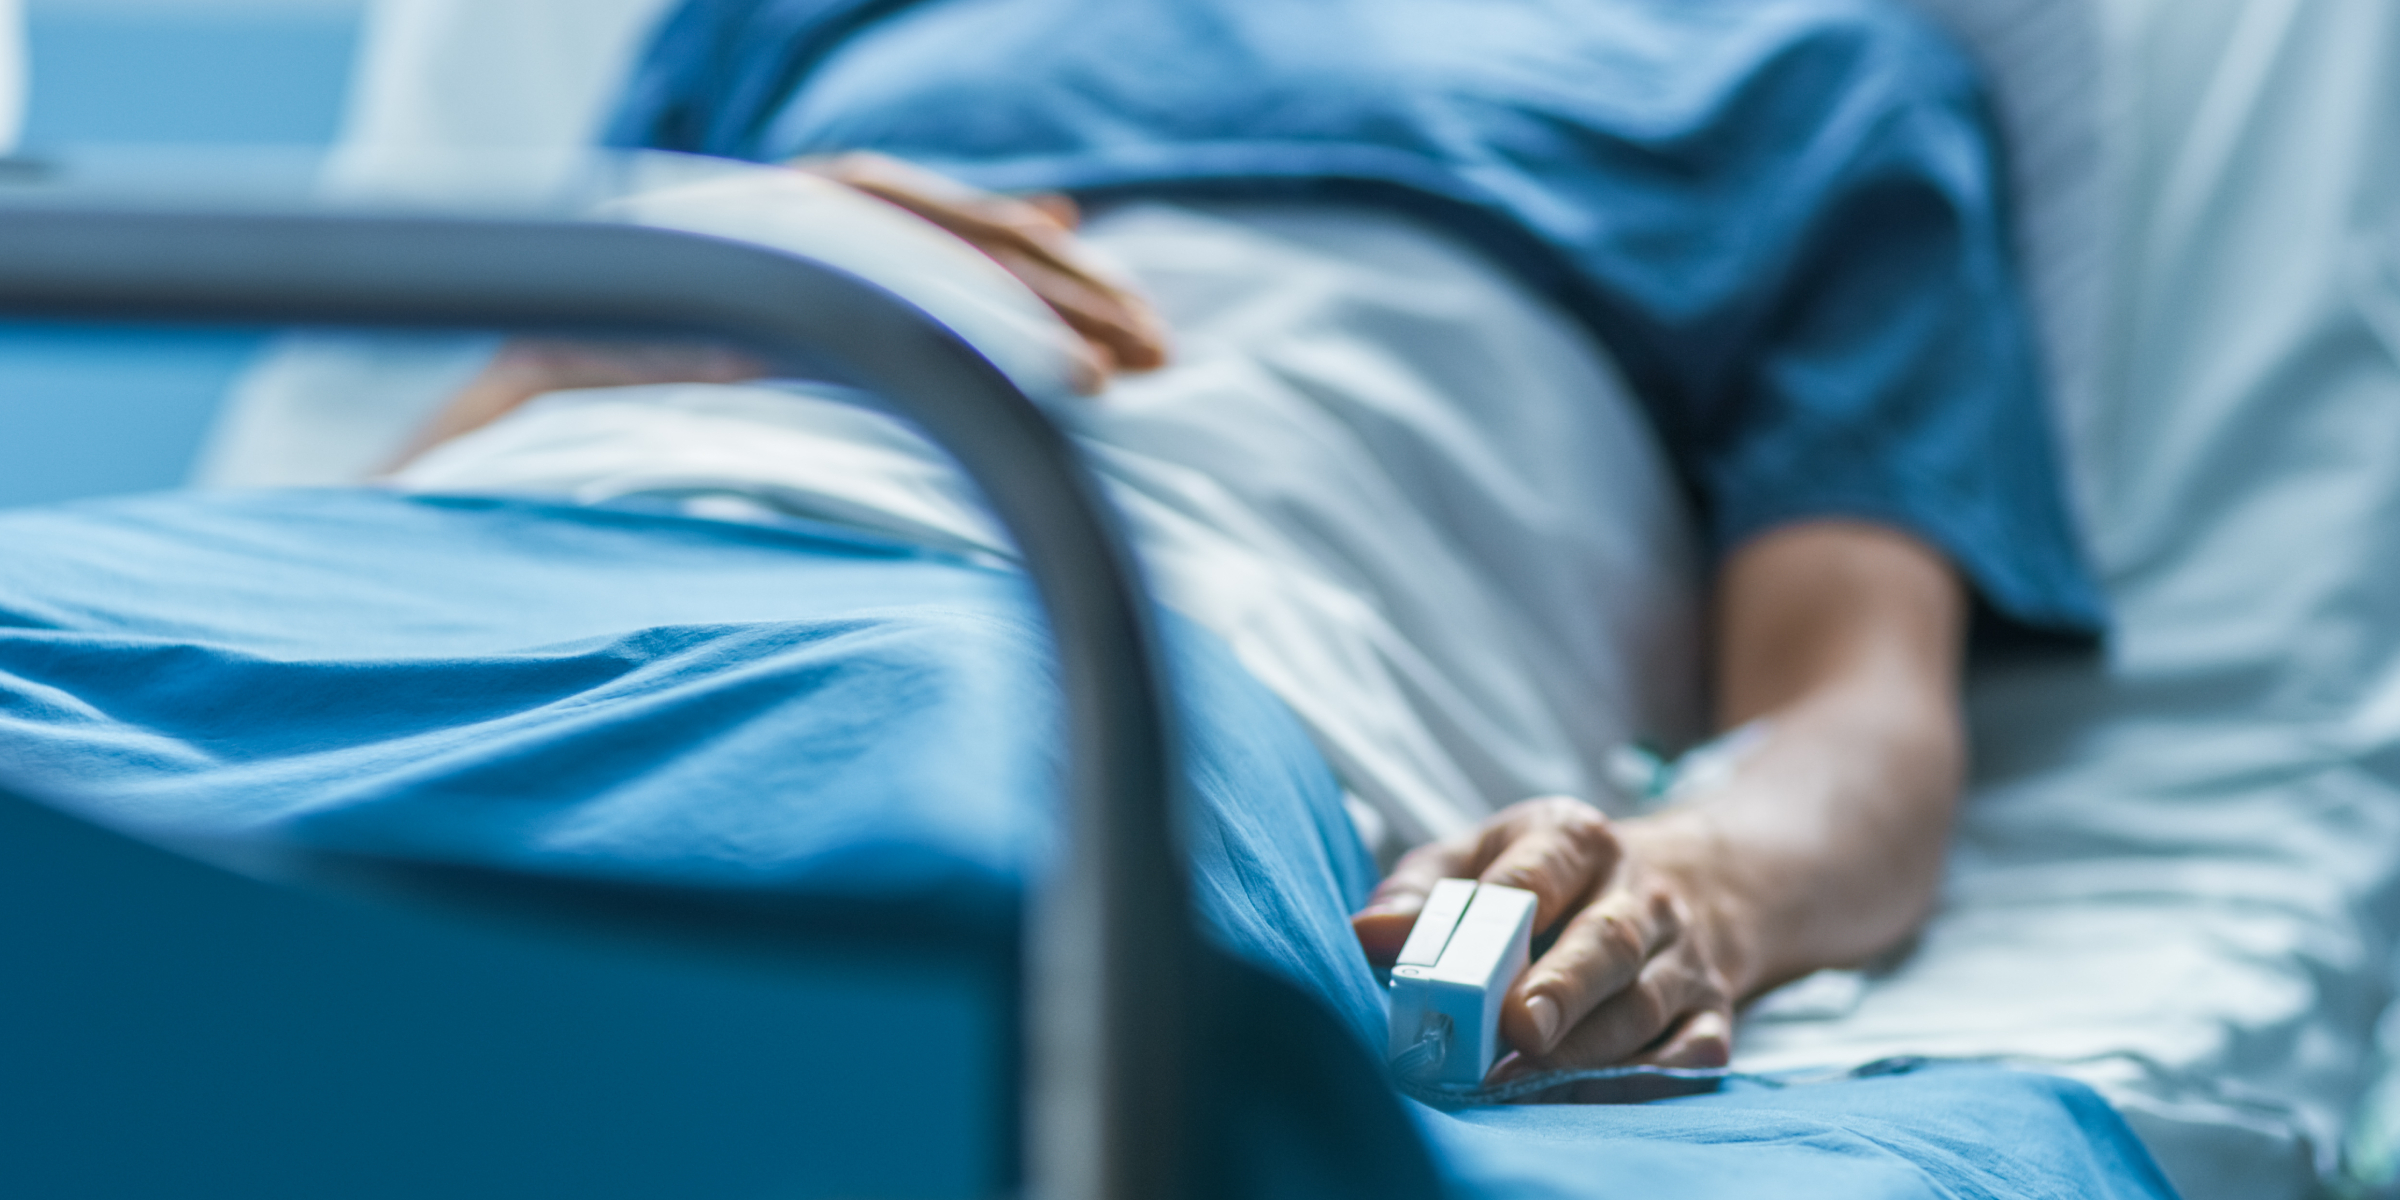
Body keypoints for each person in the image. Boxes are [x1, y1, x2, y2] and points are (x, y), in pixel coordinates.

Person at [392, 0, 2106, 1090]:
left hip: (1085, 634)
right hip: (475, 565)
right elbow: (388, 480)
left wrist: (1681, 886)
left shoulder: (1801, 73)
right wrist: (633, 307)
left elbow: (1854, 714)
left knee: (845, 910)